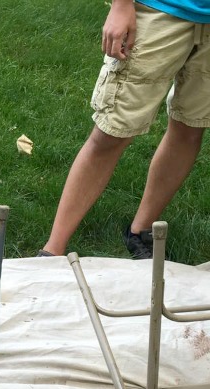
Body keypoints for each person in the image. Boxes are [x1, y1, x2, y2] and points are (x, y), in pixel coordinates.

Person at [39, 0, 210, 259]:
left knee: (190, 128)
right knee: (111, 132)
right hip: (158, 11)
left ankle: (140, 232)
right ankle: (52, 250)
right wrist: (121, 6)